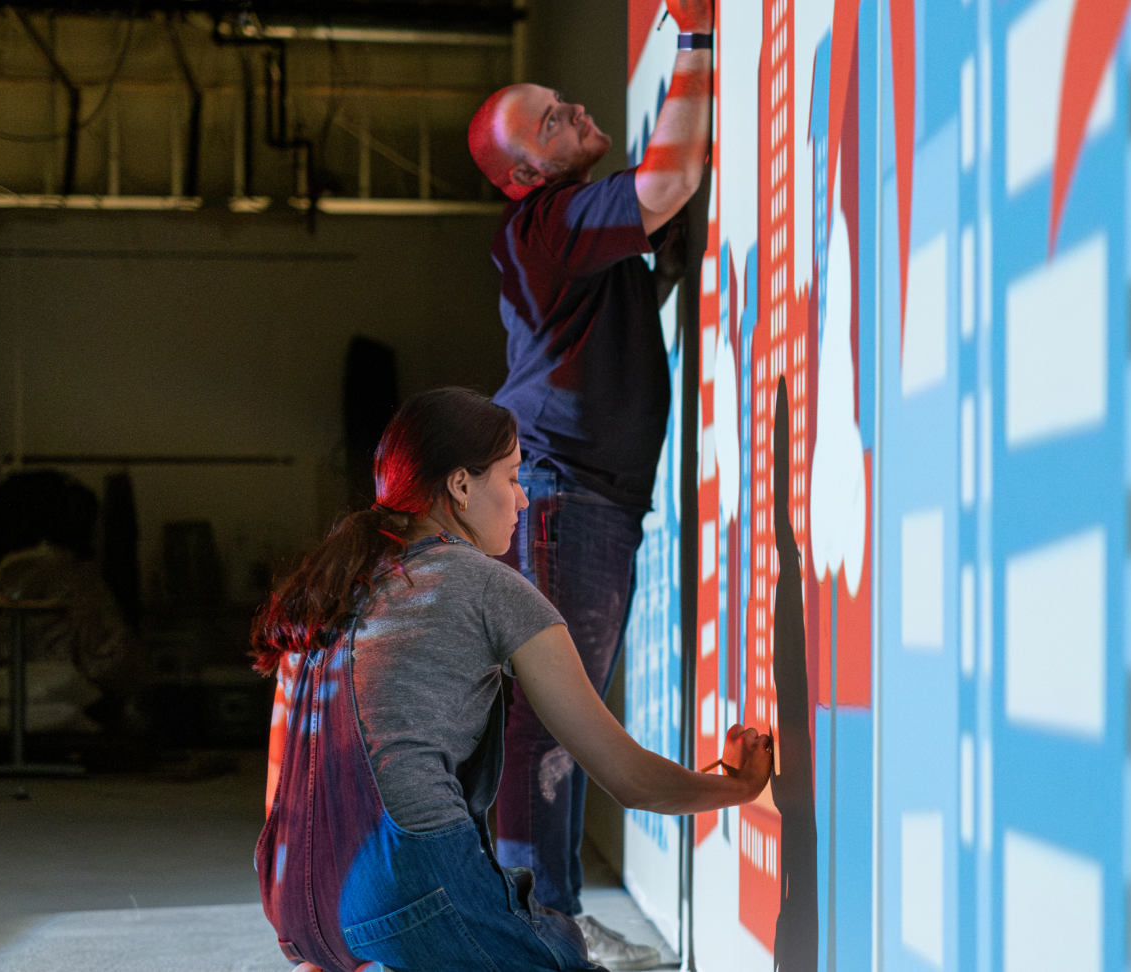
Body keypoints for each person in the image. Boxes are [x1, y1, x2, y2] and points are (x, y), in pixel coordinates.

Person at [254, 387, 771, 972]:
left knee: (543, 926)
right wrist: (737, 788)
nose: (524, 498)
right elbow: (629, 779)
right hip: (406, 893)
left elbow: (281, 786)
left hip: (294, 900)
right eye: (512, 476)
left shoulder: (328, 586)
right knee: (563, 950)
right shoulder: (486, 586)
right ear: (461, 486)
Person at [463, 0, 713, 960]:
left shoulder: (563, 231)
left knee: (553, 719)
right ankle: (544, 923)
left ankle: (542, 915)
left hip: (579, 494)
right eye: (550, 120)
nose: (571, 111)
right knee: (551, 720)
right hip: (568, 498)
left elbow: (657, 211)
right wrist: (693, 38)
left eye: (562, 100)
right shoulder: (551, 221)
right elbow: (667, 183)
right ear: (528, 171)